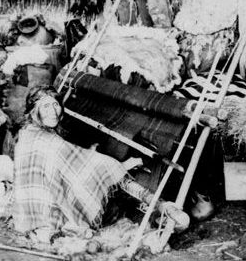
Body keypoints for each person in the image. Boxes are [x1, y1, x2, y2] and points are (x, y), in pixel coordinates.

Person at [13, 85, 188, 242]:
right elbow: (83, 167)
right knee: (107, 170)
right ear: (33, 111)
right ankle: (159, 205)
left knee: (105, 172)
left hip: (29, 216)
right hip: (50, 215)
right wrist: (120, 166)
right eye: (45, 106)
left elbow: (67, 168)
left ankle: (158, 205)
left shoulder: (27, 133)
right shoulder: (46, 141)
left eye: (55, 104)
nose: (53, 111)